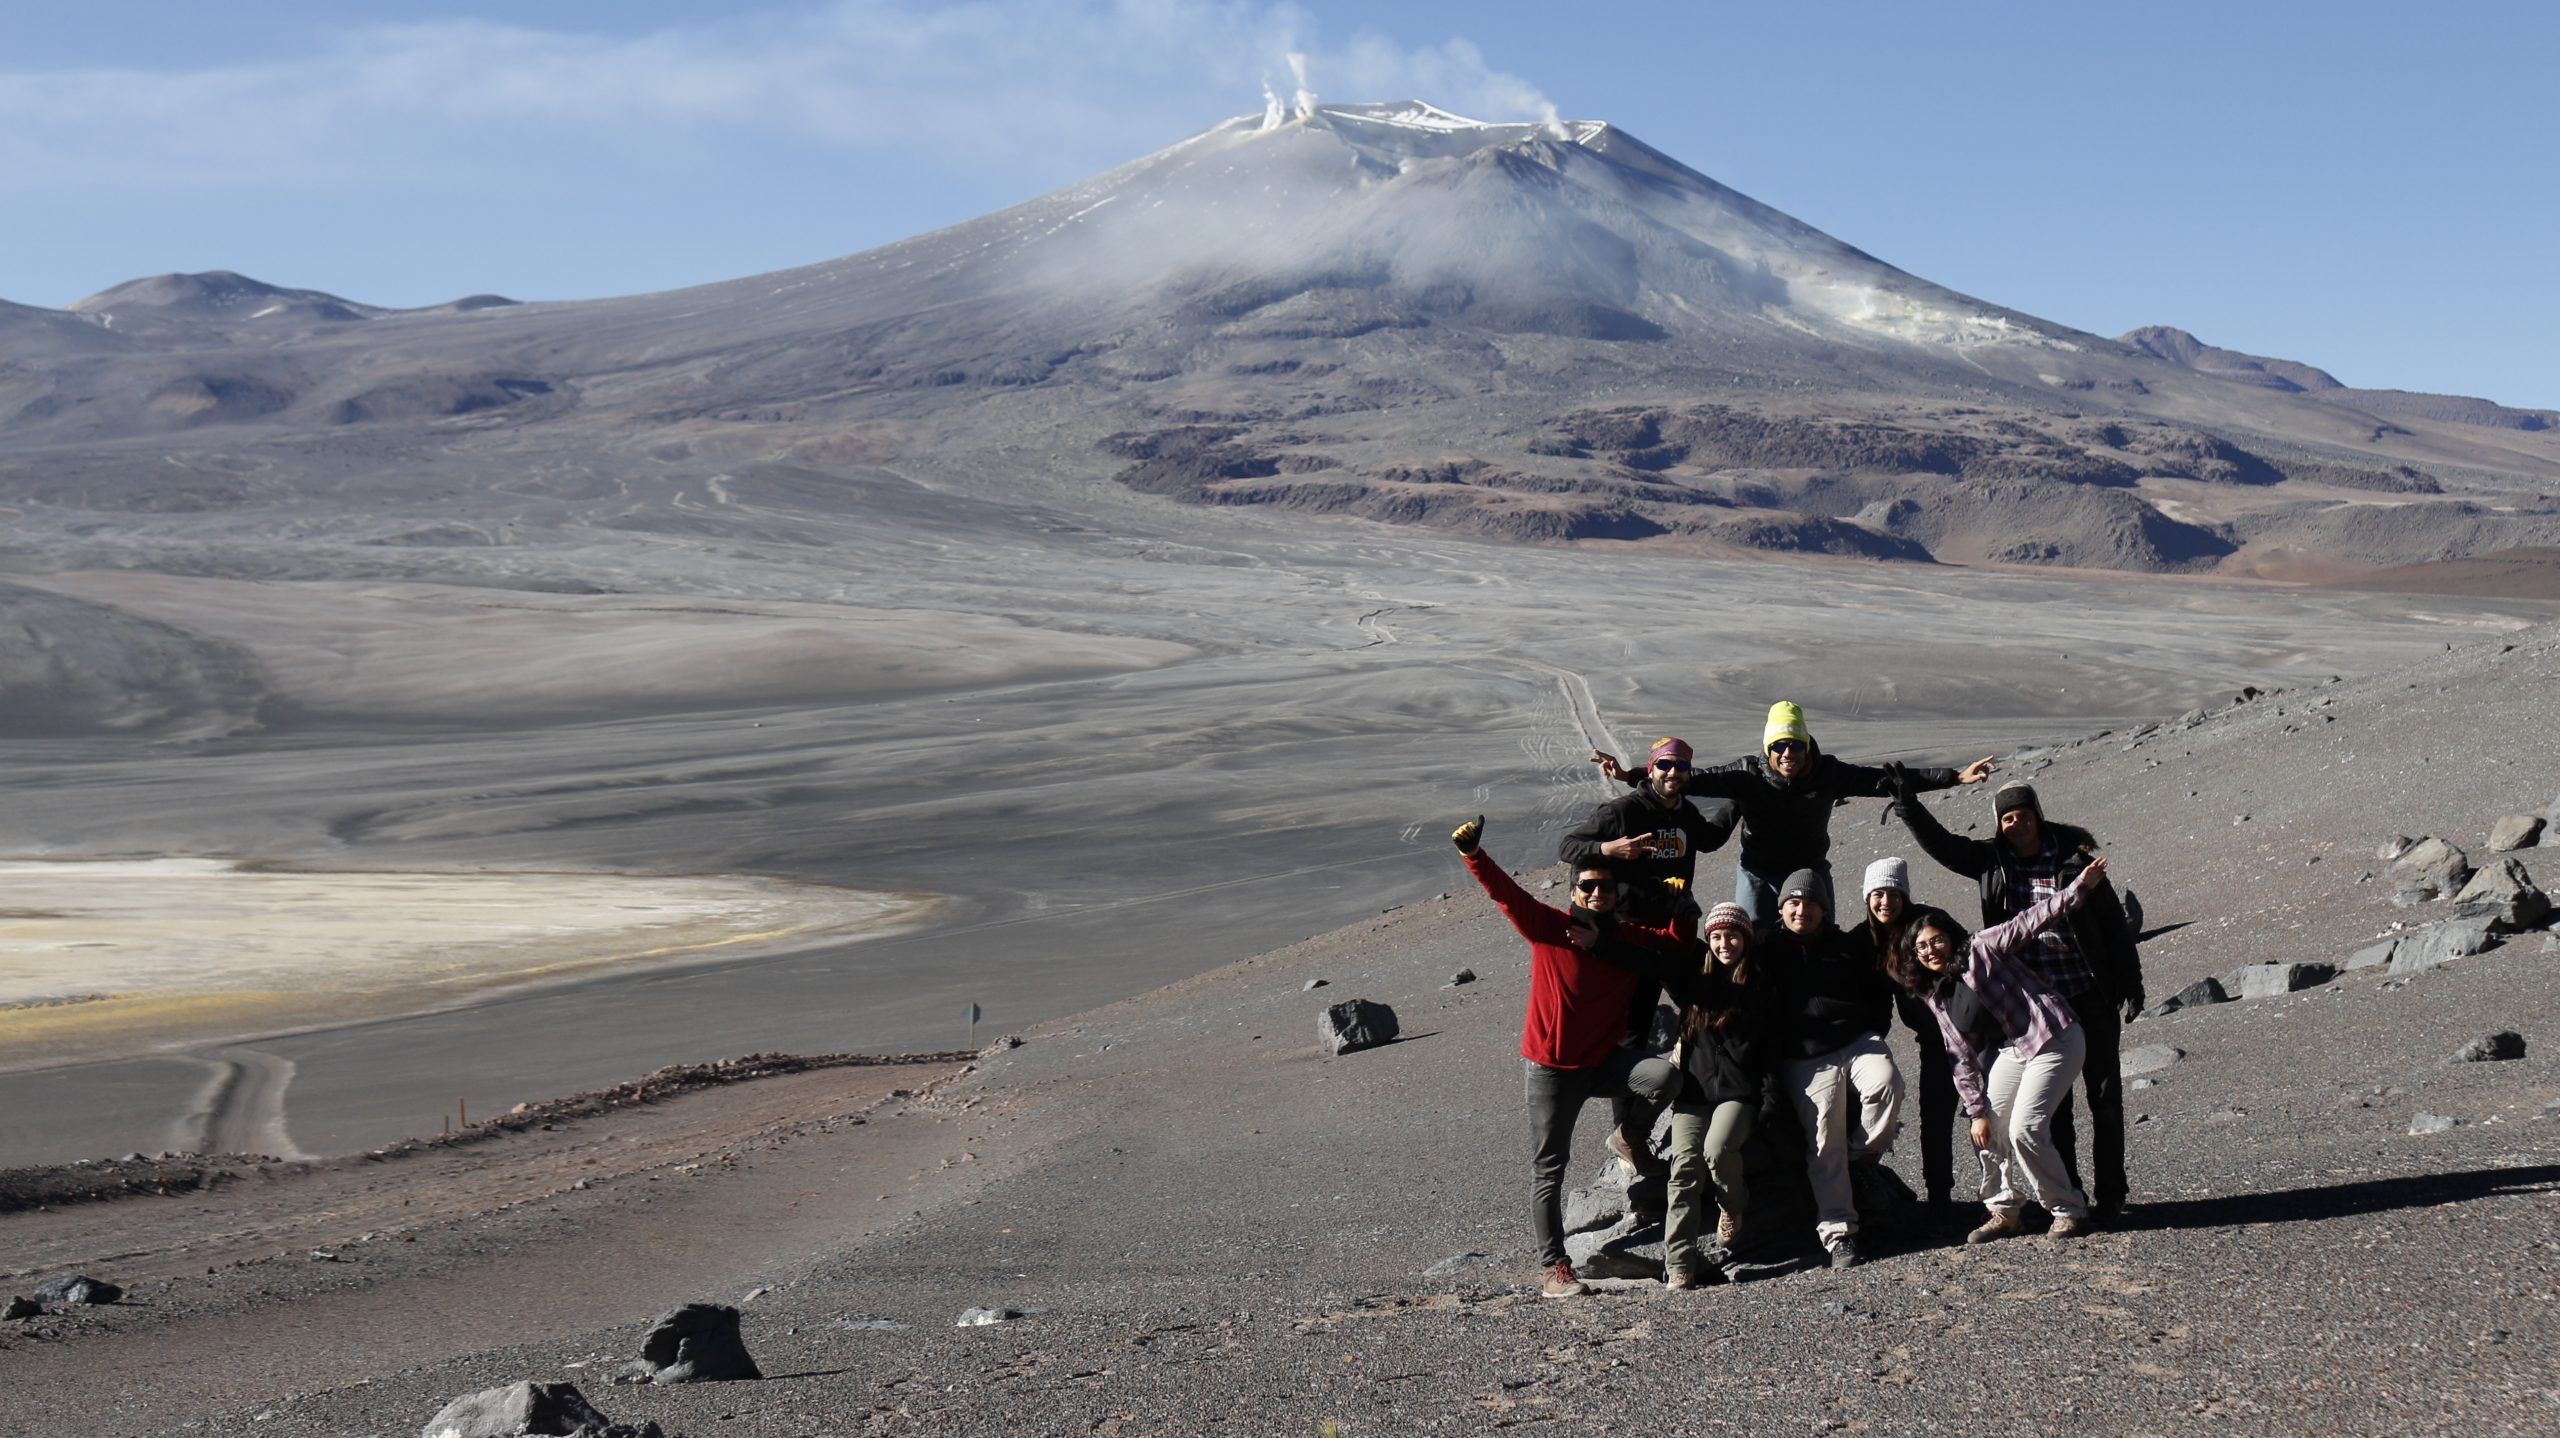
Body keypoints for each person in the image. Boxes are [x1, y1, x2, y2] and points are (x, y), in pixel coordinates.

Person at [1451, 814, 1684, 1299]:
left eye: (1604, 888)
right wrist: (1475, 856)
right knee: (1549, 1168)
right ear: (1574, 891)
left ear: (1616, 895)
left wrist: (1679, 902)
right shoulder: (1548, 928)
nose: (1596, 894)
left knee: (1664, 1077)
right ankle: (1554, 1267)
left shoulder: (1627, 940)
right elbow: (1505, 895)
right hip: (1552, 1071)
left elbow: (1676, 946)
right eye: (1587, 886)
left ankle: (1629, 1135)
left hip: (1601, 1065)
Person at [1895, 779, 2145, 1220]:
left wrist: (2131, 981)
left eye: (2024, 815)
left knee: (2104, 1097)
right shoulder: (1992, 862)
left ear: (2037, 816)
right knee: (2055, 1111)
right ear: (2000, 825)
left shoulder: (2072, 861)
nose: (2017, 824)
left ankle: (2112, 1195)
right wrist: (1910, 807)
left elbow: (2107, 923)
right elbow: (1944, 847)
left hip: (2088, 992)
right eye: (2008, 818)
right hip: (2034, 1009)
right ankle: (2072, 1197)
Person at [1593, 702, 1995, 925]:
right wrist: (1631, 775)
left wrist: (1954, 777)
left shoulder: (1829, 773)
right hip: (1758, 870)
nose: (1788, 754)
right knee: (1749, 939)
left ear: (1806, 745)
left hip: (1810, 868)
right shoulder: (1747, 774)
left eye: (1796, 745)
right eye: (1780, 745)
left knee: (1821, 937)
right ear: (1769, 747)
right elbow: (1687, 778)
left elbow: (1886, 780)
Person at [1885, 857, 2116, 1243]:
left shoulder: (1981, 947)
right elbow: (1959, 1059)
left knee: (2026, 1127)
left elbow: (2030, 921)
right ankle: (2004, 1210)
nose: (1931, 950)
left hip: (2052, 1036)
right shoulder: (1936, 997)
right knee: (1988, 1128)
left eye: (1936, 939)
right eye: (1921, 947)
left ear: (1950, 936)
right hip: (2012, 1052)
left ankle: (2067, 1209)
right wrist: (1976, 1112)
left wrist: (2079, 888)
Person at [1560, 735, 1739, 1181]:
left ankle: (1713, 1101)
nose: (1672, 774)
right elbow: (1568, 846)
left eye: (1680, 767)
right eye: (1665, 766)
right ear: (1652, 767)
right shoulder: (1622, 812)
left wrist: (1742, 799)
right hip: (1631, 941)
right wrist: (1608, 850)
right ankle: (1629, 1137)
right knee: (1632, 1039)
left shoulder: (1684, 813)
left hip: (1675, 936)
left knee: (1713, 1001)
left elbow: (1711, 839)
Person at [1762, 868, 1901, 1268]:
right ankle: (1839, 1233)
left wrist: (1874, 1028)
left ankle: (1860, 1157)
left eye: (1809, 903)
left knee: (1887, 1083)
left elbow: (1878, 992)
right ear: (1781, 909)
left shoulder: (1847, 946)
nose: (1801, 910)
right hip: (1804, 1058)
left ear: (1824, 909)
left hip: (1856, 1041)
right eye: (1793, 903)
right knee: (1823, 1138)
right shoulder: (1766, 952)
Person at [1660, 901, 1772, 1289]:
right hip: (1694, 1093)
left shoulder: (1759, 985)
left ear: (1746, 939)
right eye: (1718, 937)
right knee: (1685, 1167)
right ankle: (1679, 1263)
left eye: (1733, 935)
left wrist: (1770, 1100)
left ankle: (1732, 1206)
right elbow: (1666, 951)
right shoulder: (1694, 983)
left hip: (1738, 1094)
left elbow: (1770, 1050)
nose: (1725, 943)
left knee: (1718, 1150)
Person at [1847, 856, 1959, 1223]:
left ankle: (2011, 1199)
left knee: (1990, 1113)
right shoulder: (1863, 939)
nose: (1886, 902)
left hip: (1969, 1033)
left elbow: (1970, 955)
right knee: (1935, 1117)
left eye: (1894, 893)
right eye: (1878, 894)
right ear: (1867, 897)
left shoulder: (1928, 923)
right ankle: (1940, 1200)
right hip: (1932, 1040)